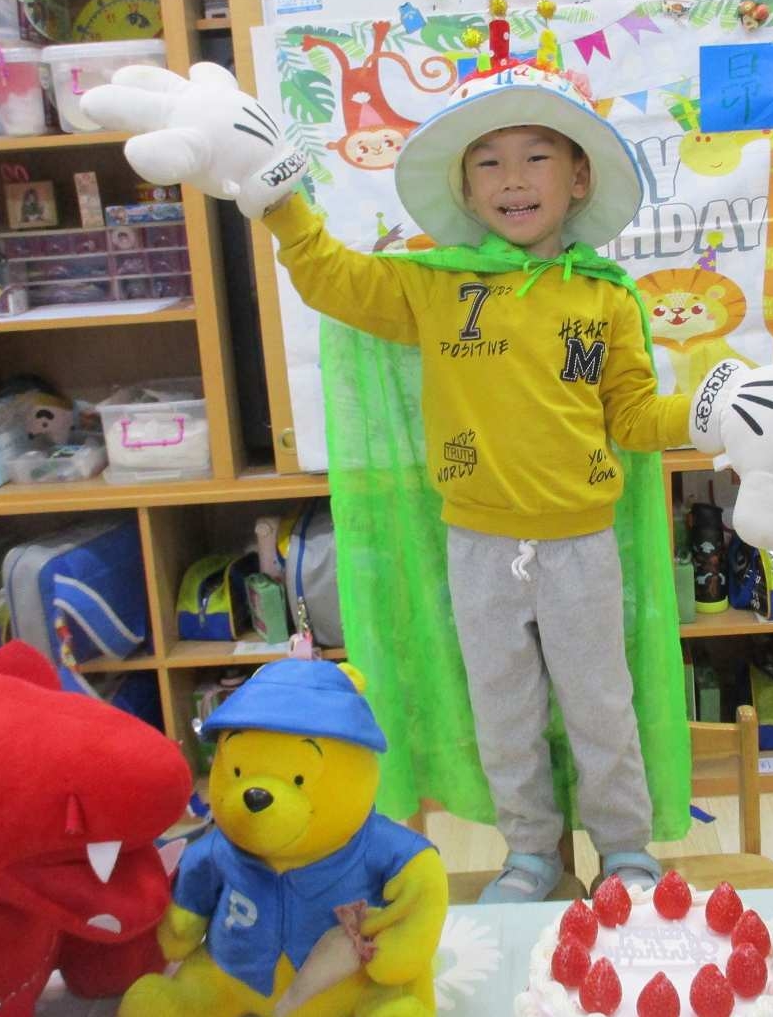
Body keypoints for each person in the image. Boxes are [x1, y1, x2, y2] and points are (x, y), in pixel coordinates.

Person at [258, 56, 688, 902]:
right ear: (464, 185)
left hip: (581, 542)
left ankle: (625, 851)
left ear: (577, 178)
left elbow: (636, 418)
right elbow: (331, 278)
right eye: (488, 161)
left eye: (536, 157)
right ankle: (530, 852)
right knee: (504, 711)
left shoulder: (605, 298)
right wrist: (279, 201)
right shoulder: (437, 285)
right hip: (478, 543)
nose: (512, 178)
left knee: (600, 706)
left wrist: (714, 411)